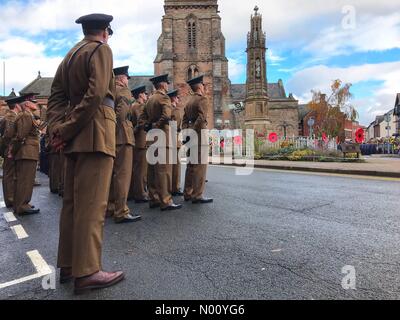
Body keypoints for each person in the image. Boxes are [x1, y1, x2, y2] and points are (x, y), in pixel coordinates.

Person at [47, 13, 124, 295]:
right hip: (96, 135)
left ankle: (68, 265)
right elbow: (95, 96)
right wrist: (65, 130)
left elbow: (55, 99)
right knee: (92, 205)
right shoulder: (101, 50)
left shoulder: (68, 57)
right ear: (104, 31)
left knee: (73, 204)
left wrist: (57, 129)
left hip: (76, 138)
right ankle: (88, 271)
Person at [140, 74, 182, 212]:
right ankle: (165, 200)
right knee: (164, 171)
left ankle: (154, 199)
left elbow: (142, 118)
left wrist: (149, 126)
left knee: (152, 170)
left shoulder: (150, 99)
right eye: (167, 83)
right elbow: (167, 116)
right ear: (163, 85)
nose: (168, 85)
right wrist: (157, 125)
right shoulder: (164, 97)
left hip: (151, 138)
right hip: (163, 137)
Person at [107, 66, 141, 224]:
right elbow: (121, 116)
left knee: (113, 174)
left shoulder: (109, 90)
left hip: (110, 137)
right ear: (121, 78)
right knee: (123, 175)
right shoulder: (124, 91)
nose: (128, 81)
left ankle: (111, 207)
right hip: (123, 136)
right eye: (127, 78)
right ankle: (121, 211)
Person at [183, 75, 213, 204]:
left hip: (190, 134)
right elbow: (201, 119)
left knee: (190, 165)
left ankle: (188, 192)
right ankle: (197, 195)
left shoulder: (188, 101)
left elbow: (184, 120)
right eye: (203, 85)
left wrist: (187, 133)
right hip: (199, 136)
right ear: (200, 86)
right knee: (200, 166)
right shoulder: (202, 99)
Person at [12, 94, 41, 215]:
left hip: (27, 152)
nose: (36, 103)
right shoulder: (25, 115)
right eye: (33, 102)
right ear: (27, 104)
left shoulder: (28, 115)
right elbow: (21, 136)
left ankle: (22, 203)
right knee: (25, 180)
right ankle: (22, 206)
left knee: (25, 180)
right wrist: (14, 151)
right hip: (26, 152)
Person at [0, 97, 22, 208]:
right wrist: (9, 149)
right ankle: (10, 199)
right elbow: (8, 135)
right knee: (9, 174)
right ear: (17, 105)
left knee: (10, 174)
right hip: (10, 149)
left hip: (9, 149)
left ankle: (12, 198)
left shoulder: (10, 117)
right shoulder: (11, 117)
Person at [130, 85, 149, 203]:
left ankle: (136, 191)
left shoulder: (134, 106)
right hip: (140, 141)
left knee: (138, 168)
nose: (146, 96)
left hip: (138, 141)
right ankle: (140, 193)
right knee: (141, 170)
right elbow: (140, 123)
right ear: (140, 95)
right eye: (145, 94)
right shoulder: (139, 107)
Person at [167, 89, 184, 197]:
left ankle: (170, 187)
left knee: (170, 166)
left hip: (168, 139)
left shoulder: (167, 109)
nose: (179, 99)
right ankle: (175, 188)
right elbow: (177, 126)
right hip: (174, 138)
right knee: (176, 166)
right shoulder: (175, 110)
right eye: (177, 97)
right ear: (173, 98)